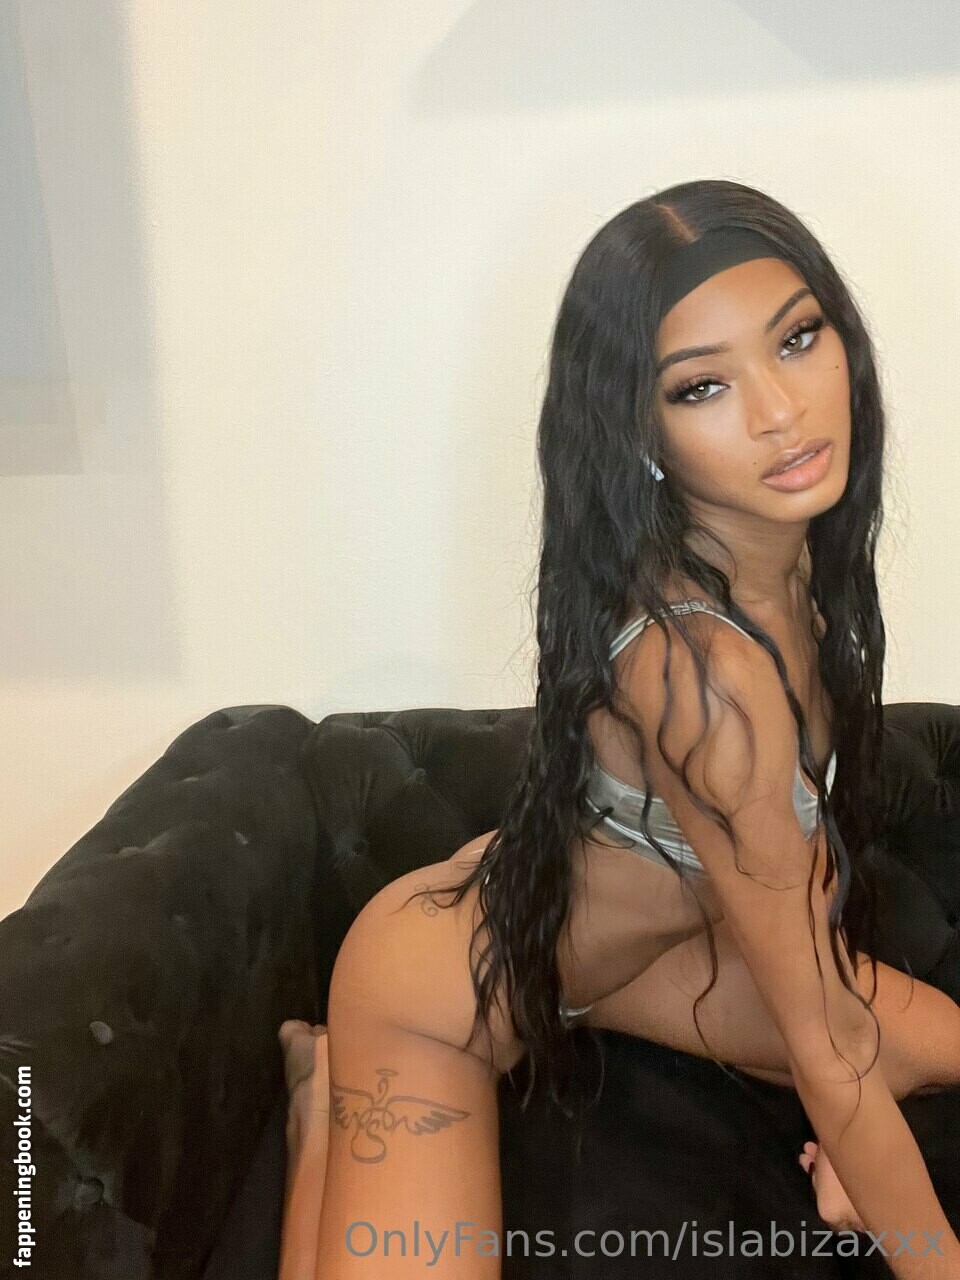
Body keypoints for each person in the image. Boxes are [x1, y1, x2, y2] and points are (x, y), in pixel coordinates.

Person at [278, 179, 960, 1279]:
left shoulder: (788, 575)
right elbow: (829, 1049)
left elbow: (799, 884)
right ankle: (327, 1108)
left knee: (936, 1046)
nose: (779, 411)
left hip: (639, 958)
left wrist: (854, 1118)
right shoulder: (707, 676)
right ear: (639, 430)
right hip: (438, 997)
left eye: (797, 338)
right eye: (702, 386)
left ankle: (330, 1103)